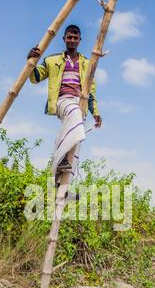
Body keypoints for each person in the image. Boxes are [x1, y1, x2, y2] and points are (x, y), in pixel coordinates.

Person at [27, 24, 102, 183]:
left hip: (80, 102)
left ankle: (62, 185)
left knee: (75, 143)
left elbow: (91, 91)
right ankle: (59, 160)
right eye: (69, 37)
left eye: (75, 38)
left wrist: (95, 113)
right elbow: (36, 78)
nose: (72, 40)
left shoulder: (88, 64)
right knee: (74, 115)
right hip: (62, 101)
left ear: (80, 40)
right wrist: (32, 61)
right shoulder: (52, 60)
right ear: (64, 39)